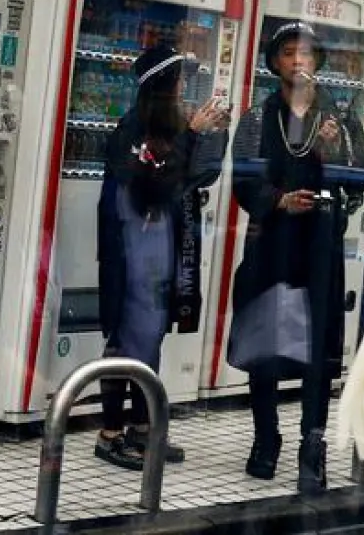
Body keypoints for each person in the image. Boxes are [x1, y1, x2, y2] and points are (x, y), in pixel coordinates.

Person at [230, 21, 364, 493]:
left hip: (319, 246)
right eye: (289, 53)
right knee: (264, 343)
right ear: (275, 64)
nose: (298, 61)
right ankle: (265, 438)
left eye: (307, 54)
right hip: (271, 243)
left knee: (318, 347)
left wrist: (334, 152)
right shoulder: (258, 117)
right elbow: (242, 179)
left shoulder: (337, 116)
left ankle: (312, 447)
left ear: (318, 63)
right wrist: (278, 201)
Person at [95, 44, 230, 471]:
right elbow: (155, 183)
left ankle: (141, 428)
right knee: (127, 340)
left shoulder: (161, 122)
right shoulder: (133, 128)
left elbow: (186, 177)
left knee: (150, 338)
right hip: (132, 252)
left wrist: (210, 137)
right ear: (160, 84)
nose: (182, 87)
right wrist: (192, 134)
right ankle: (109, 434)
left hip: (156, 249)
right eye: (177, 79)